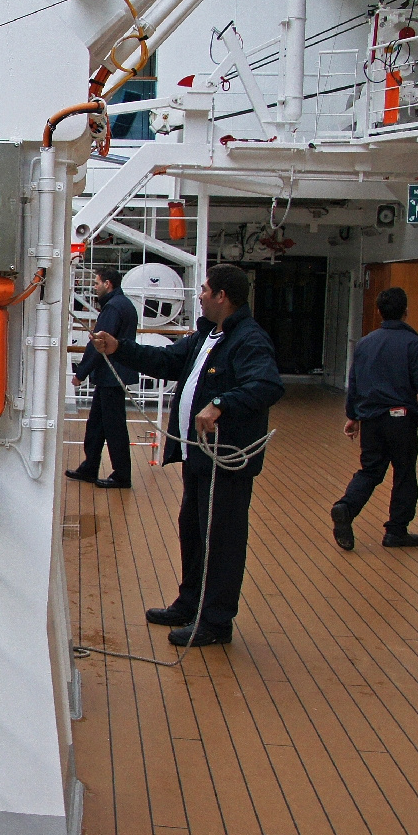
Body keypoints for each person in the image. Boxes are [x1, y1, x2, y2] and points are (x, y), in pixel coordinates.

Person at [89, 264, 283, 647]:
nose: (201, 295)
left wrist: (220, 404)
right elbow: (169, 361)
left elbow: (266, 384)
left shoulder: (248, 339)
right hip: (200, 457)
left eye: (206, 290)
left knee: (221, 538)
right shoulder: (208, 335)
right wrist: (119, 348)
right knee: (194, 531)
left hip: (225, 458)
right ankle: (190, 602)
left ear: (223, 296)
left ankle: (215, 622)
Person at [331, 286, 418, 550]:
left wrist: (352, 416)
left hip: (372, 420)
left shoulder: (364, 344)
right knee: (404, 473)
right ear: (406, 311)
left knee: (371, 470)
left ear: (378, 312)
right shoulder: (415, 345)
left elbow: (355, 382)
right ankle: (396, 531)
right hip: (401, 420)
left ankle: (346, 507)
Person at [67, 269, 139, 488]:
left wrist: (81, 373)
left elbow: (99, 344)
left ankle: (122, 475)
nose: (94, 287)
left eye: (97, 283)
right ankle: (90, 467)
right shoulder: (122, 304)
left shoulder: (114, 307)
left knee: (114, 427)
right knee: (97, 424)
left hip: (111, 375)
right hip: (113, 375)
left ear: (108, 284)